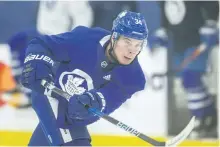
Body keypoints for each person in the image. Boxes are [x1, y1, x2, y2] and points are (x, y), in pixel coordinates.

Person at [20, 10, 148, 146]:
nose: (132, 50)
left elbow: (108, 100)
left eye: (138, 44)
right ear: (114, 37)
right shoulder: (86, 39)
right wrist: (37, 63)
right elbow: (43, 45)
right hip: (49, 93)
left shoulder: (134, 78)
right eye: (127, 42)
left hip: (72, 116)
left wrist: (93, 102)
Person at [150, 1, 219, 138]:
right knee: (188, 83)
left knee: (190, 79)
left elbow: (211, 4)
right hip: (178, 43)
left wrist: (211, 23)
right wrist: (163, 30)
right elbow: (168, 10)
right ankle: (209, 114)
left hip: (197, 39)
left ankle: (198, 120)